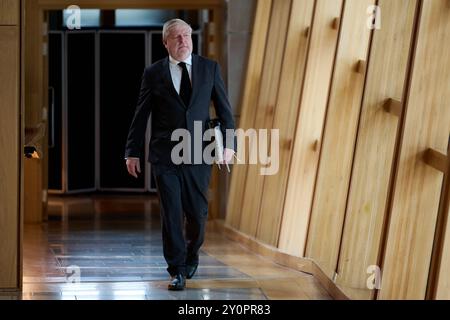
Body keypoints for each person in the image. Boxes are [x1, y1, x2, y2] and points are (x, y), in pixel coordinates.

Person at [124, 18, 236, 291]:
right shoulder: (154, 73)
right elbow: (141, 115)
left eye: (187, 35)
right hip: (165, 156)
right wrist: (132, 151)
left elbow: (224, 110)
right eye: (176, 37)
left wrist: (230, 145)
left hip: (199, 153)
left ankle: (192, 253)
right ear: (166, 43)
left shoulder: (209, 68)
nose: (183, 41)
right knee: (172, 213)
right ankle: (177, 269)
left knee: (197, 215)